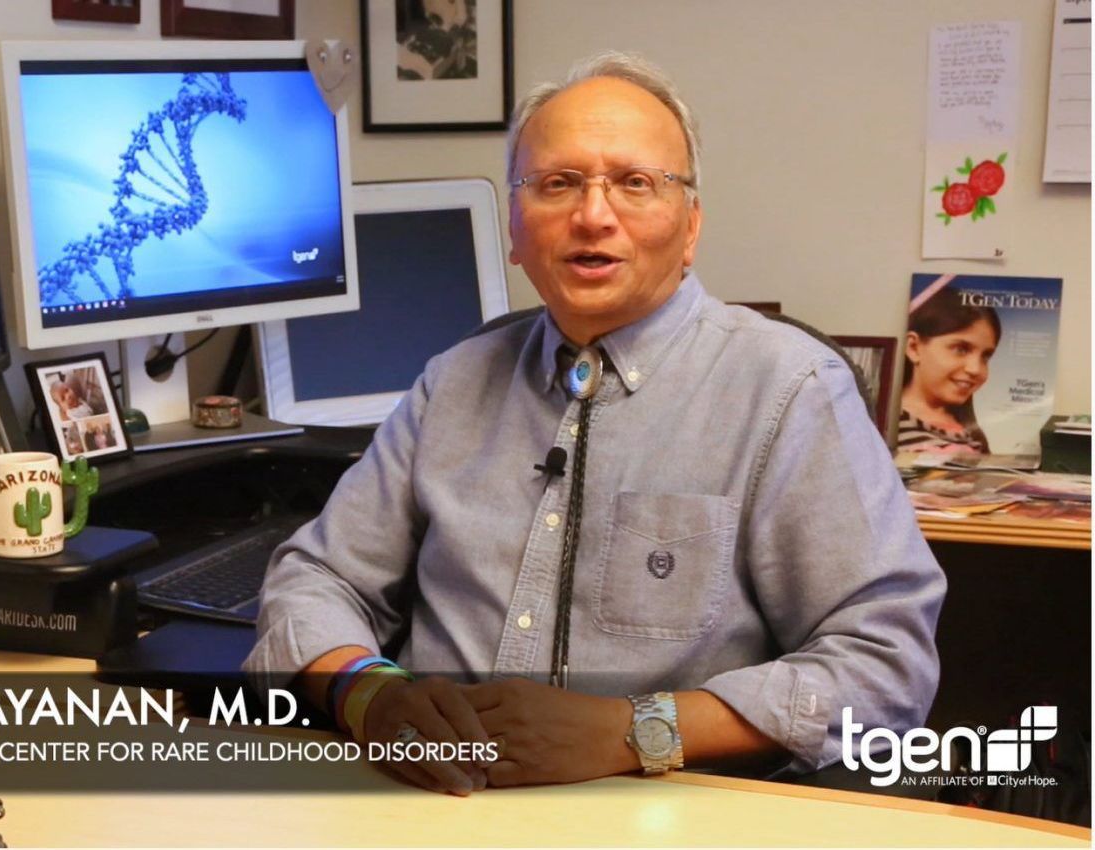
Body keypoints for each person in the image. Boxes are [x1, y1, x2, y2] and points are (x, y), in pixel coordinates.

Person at [244, 52, 945, 796]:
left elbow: (884, 664)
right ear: (515, 229)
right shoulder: (451, 382)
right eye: (557, 183)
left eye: (636, 183)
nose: (593, 215)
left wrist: (632, 732)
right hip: (427, 802)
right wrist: (372, 693)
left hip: (668, 814)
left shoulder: (790, 390)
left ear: (691, 226)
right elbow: (315, 580)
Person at [897, 285, 1000, 455]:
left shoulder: (971, 434)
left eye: (985, 356)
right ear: (914, 347)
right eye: (960, 349)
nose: (975, 369)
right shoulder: (887, 426)